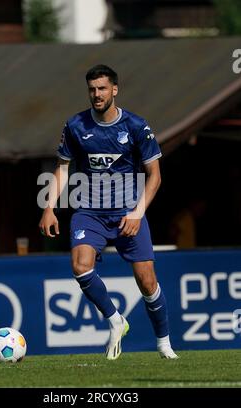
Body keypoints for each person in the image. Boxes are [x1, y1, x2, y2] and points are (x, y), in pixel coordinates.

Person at [39, 64, 178, 360]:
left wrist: (137, 213)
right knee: (80, 265)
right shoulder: (76, 126)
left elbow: (155, 175)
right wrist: (49, 207)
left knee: (147, 281)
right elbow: (62, 169)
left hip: (129, 213)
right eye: (92, 89)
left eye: (102, 88)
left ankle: (164, 343)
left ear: (115, 90)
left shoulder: (136, 126)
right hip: (89, 212)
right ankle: (115, 319)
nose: (96, 94)